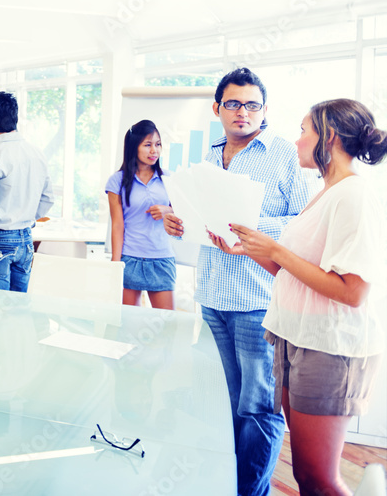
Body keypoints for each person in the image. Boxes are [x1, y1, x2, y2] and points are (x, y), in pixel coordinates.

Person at [209, 99, 386, 496]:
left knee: (318, 478)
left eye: (304, 130)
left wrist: (275, 251)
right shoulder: (327, 192)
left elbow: (352, 291)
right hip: (297, 338)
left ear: (330, 137)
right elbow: (297, 273)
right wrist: (254, 251)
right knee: (306, 476)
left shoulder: (353, 195)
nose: (297, 140)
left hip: (330, 348)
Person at [164, 67, 310, 496]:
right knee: (223, 402)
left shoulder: (283, 154)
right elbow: (199, 221)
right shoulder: (209, 156)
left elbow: (302, 226)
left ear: (264, 110)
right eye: (233, 104)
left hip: (258, 300)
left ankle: (251, 491)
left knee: (258, 408)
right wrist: (180, 222)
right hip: (211, 296)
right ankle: (226, 484)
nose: (242, 112)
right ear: (217, 109)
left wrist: (246, 226)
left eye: (251, 105)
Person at [0, 91, 55, 292]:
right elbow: (48, 197)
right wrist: (27, 218)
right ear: (15, 118)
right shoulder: (36, 153)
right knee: (19, 308)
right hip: (25, 239)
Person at [106, 119, 175, 309]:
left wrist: (168, 210)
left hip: (161, 258)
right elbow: (118, 225)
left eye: (158, 144)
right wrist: (115, 264)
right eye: (148, 145)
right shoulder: (117, 181)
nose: (155, 150)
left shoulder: (169, 179)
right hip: (130, 258)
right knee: (127, 327)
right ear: (133, 147)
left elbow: (186, 215)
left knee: (168, 325)